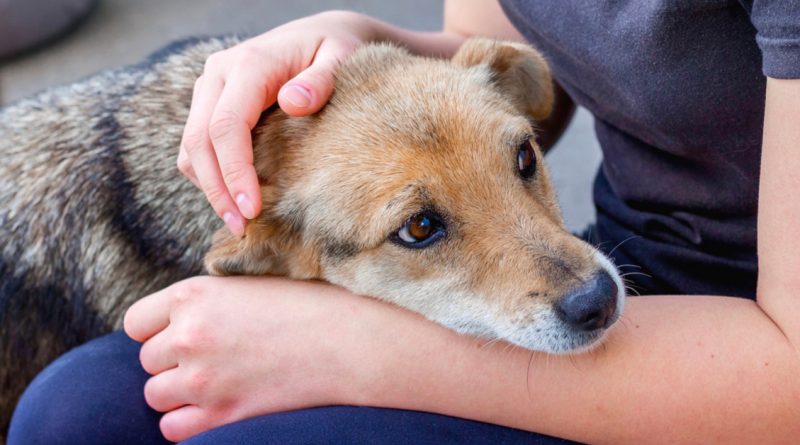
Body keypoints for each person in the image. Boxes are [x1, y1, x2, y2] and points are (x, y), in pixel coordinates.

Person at [9, 1, 800, 443]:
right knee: (69, 416)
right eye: (422, 228)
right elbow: (487, 48)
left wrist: (350, 349)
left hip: (752, 350)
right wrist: (353, 37)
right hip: (649, 248)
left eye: (520, 162)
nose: (575, 285)